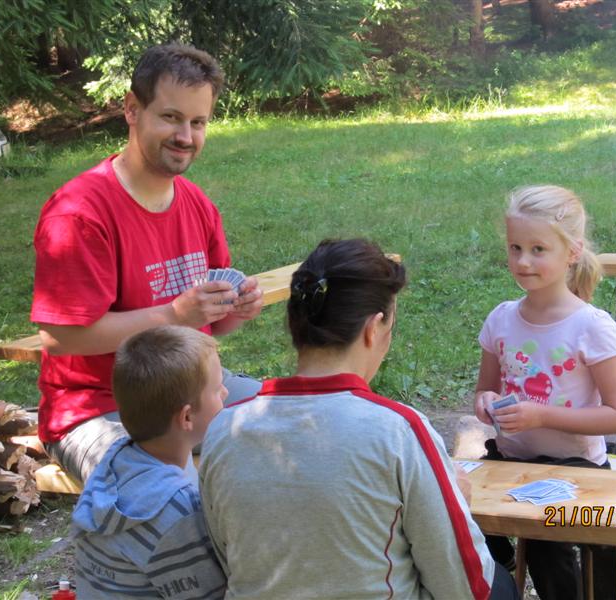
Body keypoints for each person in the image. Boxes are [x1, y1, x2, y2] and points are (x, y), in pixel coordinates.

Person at [199, 239, 519, 600]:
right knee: (500, 586)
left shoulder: (224, 429)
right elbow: (465, 587)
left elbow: (226, 557)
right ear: (373, 328)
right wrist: (454, 504)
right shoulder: (399, 430)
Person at [30, 43, 263, 483]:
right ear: (132, 109)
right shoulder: (80, 213)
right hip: (100, 409)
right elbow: (60, 338)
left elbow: (213, 324)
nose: (185, 137)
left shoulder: (196, 204)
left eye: (198, 122)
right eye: (171, 117)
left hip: (194, 394)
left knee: (296, 429)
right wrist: (174, 314)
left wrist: (237, 308)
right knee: (167, 495)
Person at [474, 185, 616, 600]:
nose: (523, 261)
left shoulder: (591, 327)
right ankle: (499, 567)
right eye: (515, 248)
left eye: (538, 249)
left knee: (546, 544)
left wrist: (541, 415)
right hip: (509, 461)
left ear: (572, 252)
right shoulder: (501, 319)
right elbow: (484, 392)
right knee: (458, 508)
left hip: (574, 466)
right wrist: (486, 404)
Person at [72, 325, 227, 598]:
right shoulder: (176, 510)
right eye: (217, 389)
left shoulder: (115, 460)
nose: (225, 392)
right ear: (187, 417)